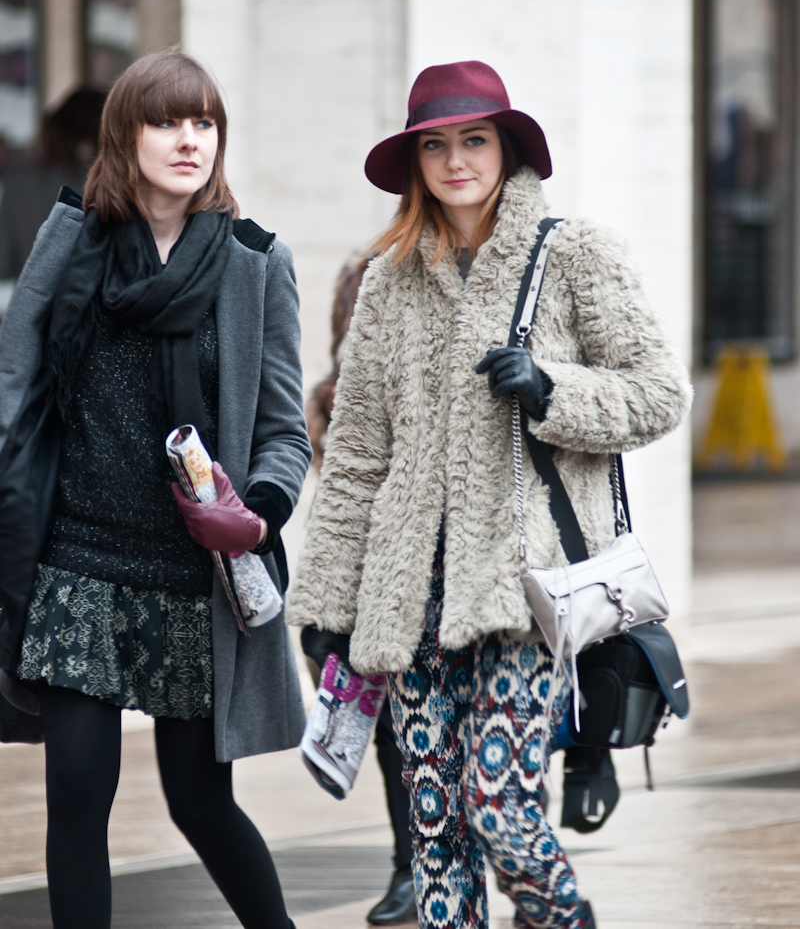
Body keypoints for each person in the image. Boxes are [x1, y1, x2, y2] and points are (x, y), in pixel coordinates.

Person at [286, 60, 692, 929]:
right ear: (415, 161)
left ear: (507, 148)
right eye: (435, 144)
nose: (456, 160)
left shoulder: (574, 254)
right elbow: (356, 452)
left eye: (474, 140)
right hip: (408, 601)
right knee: (437, 837)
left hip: (526, 592)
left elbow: (660, 391)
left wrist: (553, 388)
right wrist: (328, 600)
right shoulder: (389, 278)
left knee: (499, 806)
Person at [0, 49, 311, 929]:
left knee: (201, 805)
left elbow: (285, 431)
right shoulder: (75, 243)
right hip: (76, 562)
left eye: (204, 122)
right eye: (166, 121)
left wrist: (260, 515)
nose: (188, 139)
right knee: (77, 797)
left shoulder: (256, 264)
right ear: (123, 135)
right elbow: (14, 382)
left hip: (190, 576)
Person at [305, 249, 417, 926]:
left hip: (462, 550)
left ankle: (491, 844)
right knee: (390, 727)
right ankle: (411, 864)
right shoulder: (371, 268)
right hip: (376, 559)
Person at [0, 85, 106, 282]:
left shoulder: (20, 177)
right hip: (94, 305)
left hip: (33, 305)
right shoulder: (108, 179)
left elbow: (5, 261)